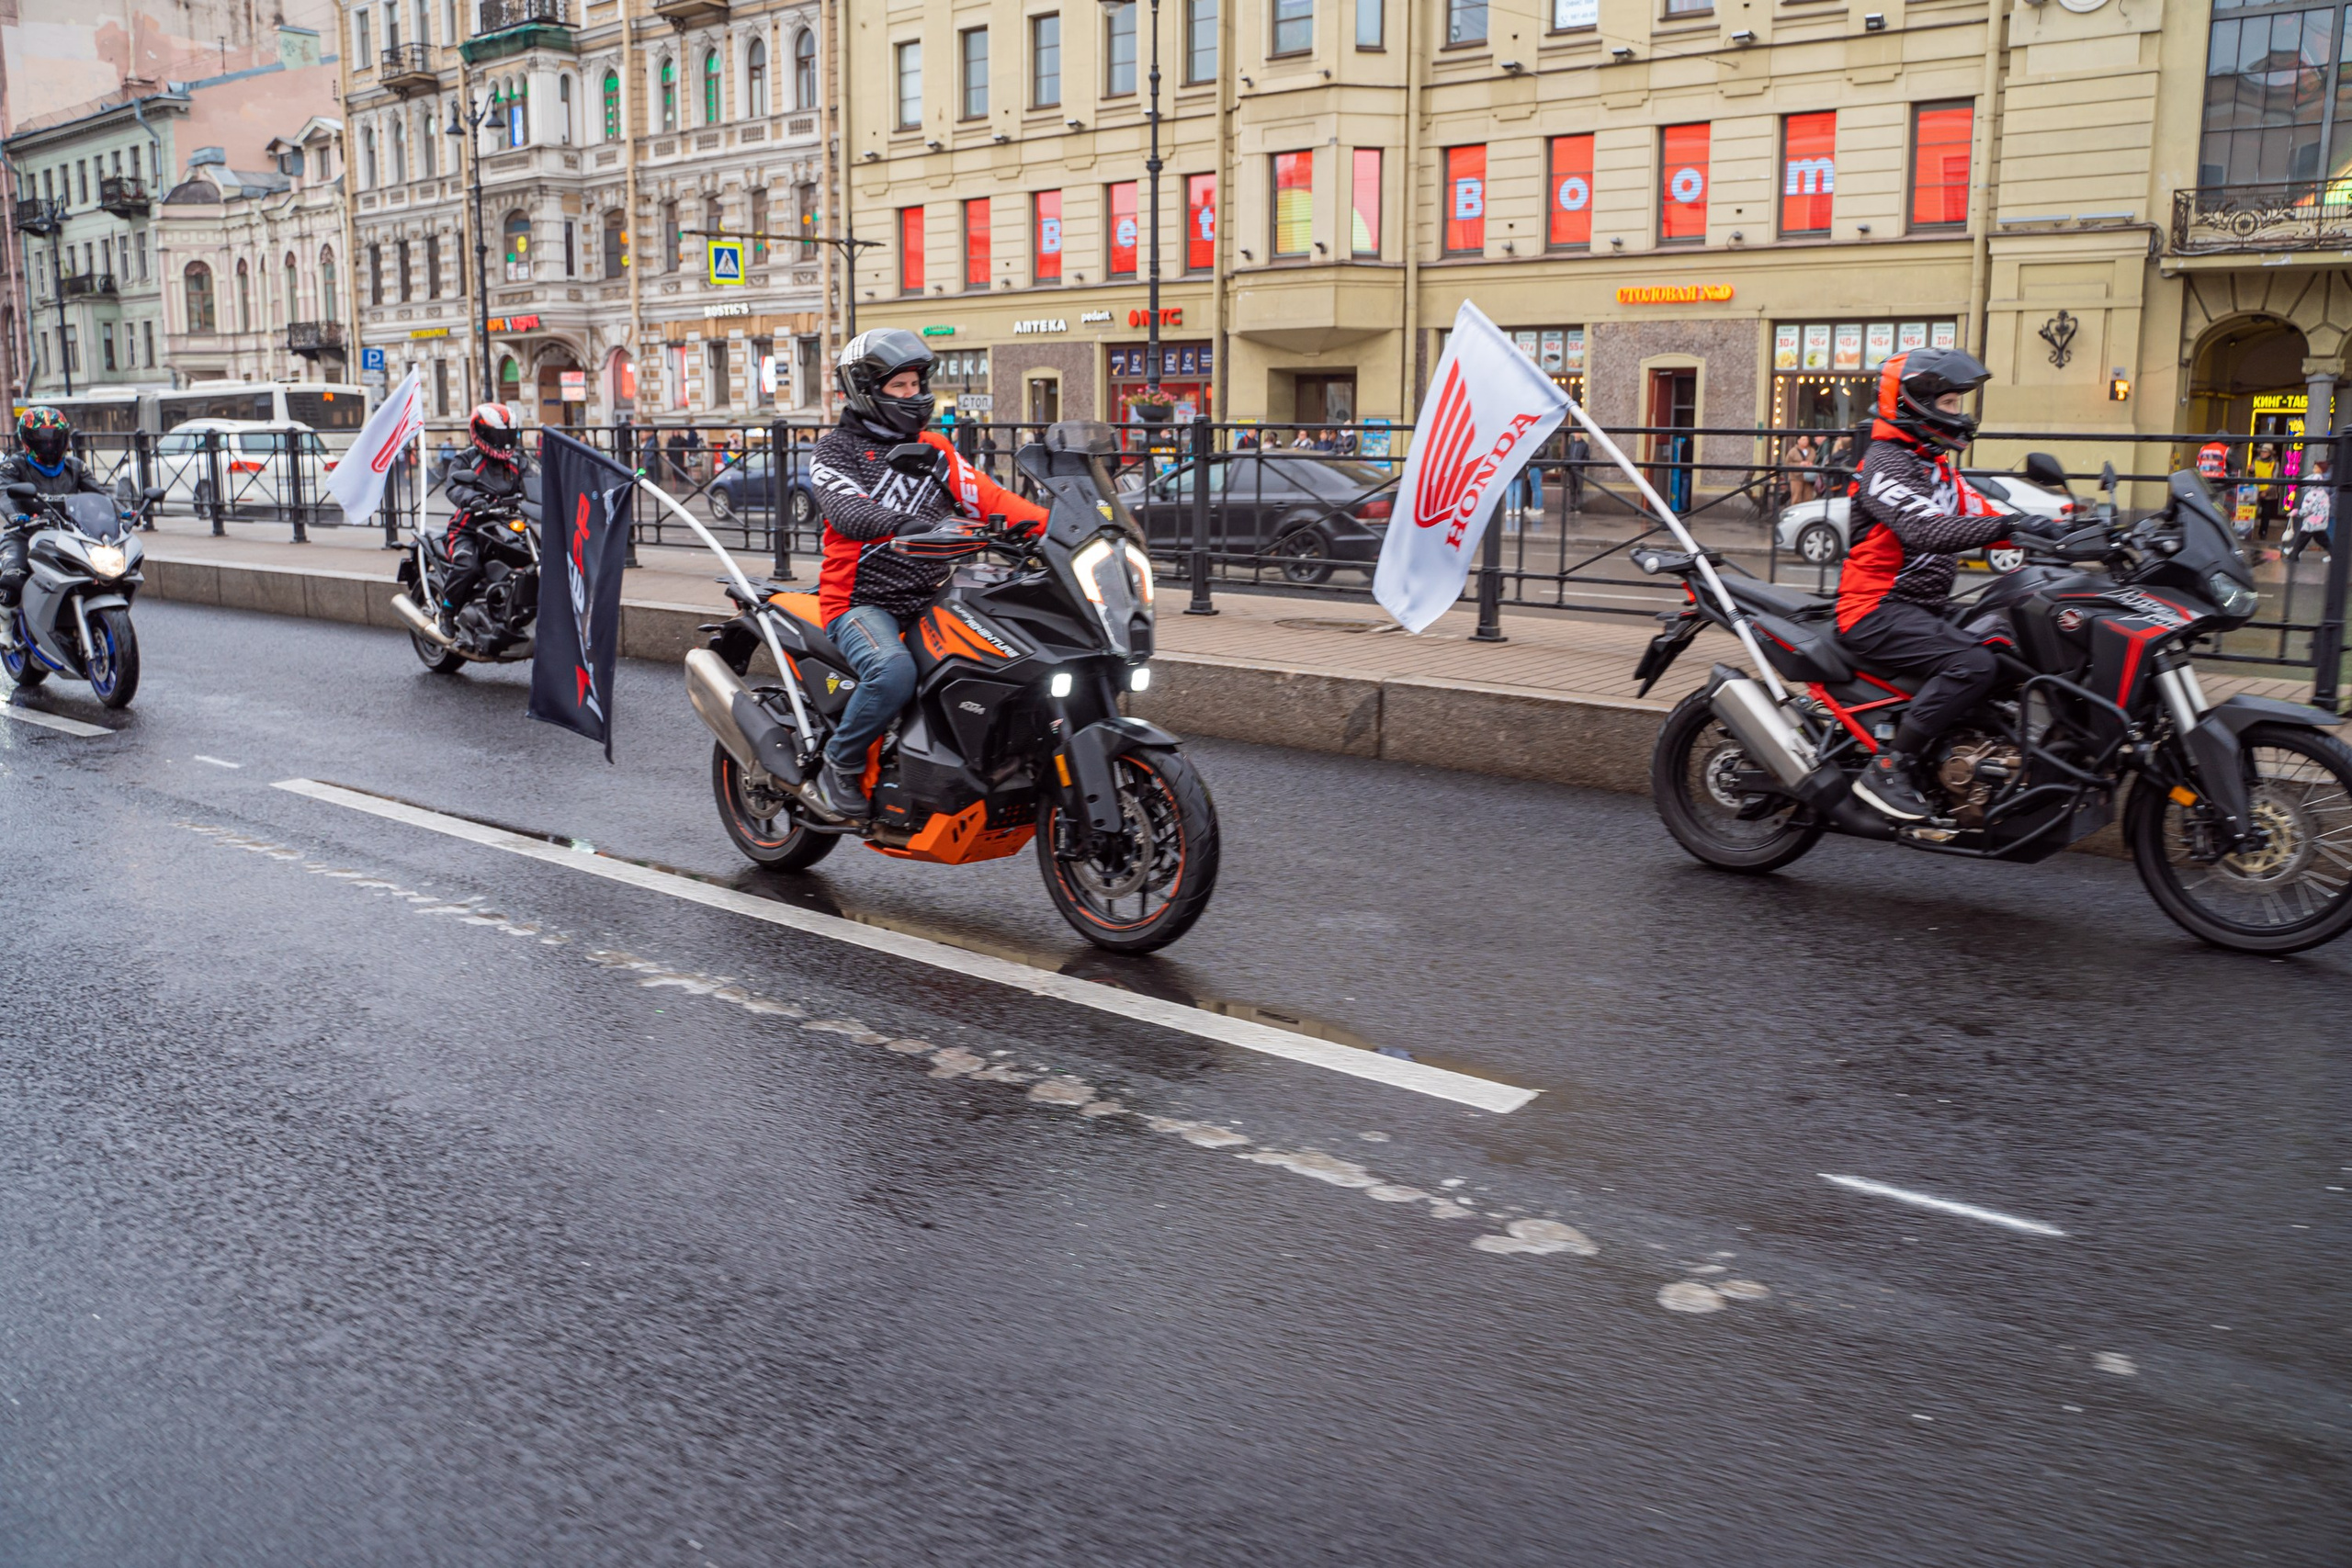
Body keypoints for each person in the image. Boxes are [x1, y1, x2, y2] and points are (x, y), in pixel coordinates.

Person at [808, 328, 1049, 820]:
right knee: (893, 671)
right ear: (865, 390)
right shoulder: (834, 451)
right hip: (860, 603)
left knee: (1010, 653)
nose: (913, 394)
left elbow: (991, 499)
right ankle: (840, 762)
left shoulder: (934, 448)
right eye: (899, 386)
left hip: (934, 595)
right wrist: (905, 524)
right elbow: (848, 511)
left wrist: (1065, 529)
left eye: (917, 384)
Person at [1836, 347, 2033, 823]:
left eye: (1957, 403)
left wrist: (2063, 532)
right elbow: (1927, 530)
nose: (1959, 414)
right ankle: (1889, 767)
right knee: (1972, 663)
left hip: (1921, 607)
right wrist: (2009, 526)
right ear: (1913, 402)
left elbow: (1982, 514)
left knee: (2008, 640)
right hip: (1875, 609)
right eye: (1948, 403)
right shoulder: (1885, 465)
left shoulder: (1936, 466)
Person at [437, 403, 531, 650]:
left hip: (507, 527)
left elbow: (536, 484)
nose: (505, 442)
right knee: (468, 566)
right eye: (498, 435)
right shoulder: (466, 460)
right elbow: (454, 487)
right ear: (480, 433)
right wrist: (473, 499)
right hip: (468, 529)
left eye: (508, 435)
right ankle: (447, 611)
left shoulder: (518, 462)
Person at [0, 406, 109, 617]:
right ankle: (4, 630)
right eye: (42, 439)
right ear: (26, 440)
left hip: (70, 536)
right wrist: (15, 516)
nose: (49, 445)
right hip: (25, 536)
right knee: (12, 583)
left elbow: (102, 495)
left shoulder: (75, 466)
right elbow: (4, 494)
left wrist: (125, 513)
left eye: (54, 438)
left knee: (106, 575)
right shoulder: (13, 467)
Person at [2290, 448, 2334, 565]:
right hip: (2319, 519)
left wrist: (2297, 512)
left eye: (2315, 467)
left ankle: (2293, 556)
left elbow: (2308, 508)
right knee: (2320, 538)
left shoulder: (2313, 491)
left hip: (2312, 520)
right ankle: (2335, 554)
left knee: (2303, 538)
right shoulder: (2322, 489)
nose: (2313, 469)